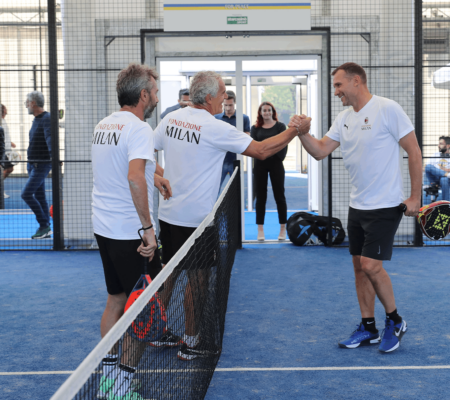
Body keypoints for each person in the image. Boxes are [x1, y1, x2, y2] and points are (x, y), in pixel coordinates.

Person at [152, 70, 311, 361]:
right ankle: (190, 341)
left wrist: (157, 176)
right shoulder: (215, 128)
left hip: (168, 215)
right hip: (197, 222)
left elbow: (145, 151)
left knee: (169, 274)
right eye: (224, 92)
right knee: (197, 281)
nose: (226, 97)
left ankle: (156, 332)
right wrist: (295, 131)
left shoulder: (171, 119)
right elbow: (262, 151)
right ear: (210, 97)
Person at [290, 62, 422, 353]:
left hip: (386, 204)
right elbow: (321, 151)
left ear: (356, 82)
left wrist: (415, 197)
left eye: (339, 85)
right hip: (357, 206)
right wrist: (301, 132)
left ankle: (395, 321)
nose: (336, 91)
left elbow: (414, 150)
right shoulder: (344, 118)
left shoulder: (388, 109)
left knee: (370, 265)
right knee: (359, 269)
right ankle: (368, 327)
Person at [92, 63, 171, 400]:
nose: (156, 96)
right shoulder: (140, 129)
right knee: (144, 309)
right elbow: (132, 177)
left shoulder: (103, 125)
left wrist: (154, 175)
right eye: (154, 90)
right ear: (143, 95)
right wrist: (148, 230)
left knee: (116, 298)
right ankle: (121, 385)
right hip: (129, 233)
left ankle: (109, 375)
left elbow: (124, 167)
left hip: (103, 227)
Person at [251, 102, 288, 241]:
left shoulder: (280, 127)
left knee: (280, 196)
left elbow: (282, 145)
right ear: (260, 113)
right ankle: (260, 229)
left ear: (273, 112)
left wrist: (266, 149)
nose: (266, 112)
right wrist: (267, 150)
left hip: (276, 164)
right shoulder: (255, 128)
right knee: (260, 197)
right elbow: (255, 147)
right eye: (264, 110)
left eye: (269, 110)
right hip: (260, 164)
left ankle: (283, 229)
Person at [21, 92, 53, 239]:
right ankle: (46, 229)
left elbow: (50, 138)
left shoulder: (46, 118)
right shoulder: (36, 119)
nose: (25, 105)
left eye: (27, 102)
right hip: (33, 164)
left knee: (26, 194)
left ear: (33, 103)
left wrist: (53, 157)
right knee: (40, 197)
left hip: (42, 164)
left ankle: (44, 225)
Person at [214, 90, 251, 186]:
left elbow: (247, 136)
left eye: (230, 105)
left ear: (234, 103)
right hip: (220, 160)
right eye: (225, 105)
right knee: (215, 188)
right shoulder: (216, 118)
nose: (228, 108)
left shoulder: (244, 118)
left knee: (237, 190)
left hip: (236, 159)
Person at [424, 136, 450, 201]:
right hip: (434, 180)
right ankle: (447, 174)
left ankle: (445, 205)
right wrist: (444, 171)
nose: (438, 146)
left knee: (444, 179)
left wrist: (438, 170)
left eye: (441, 144)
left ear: (448, 145)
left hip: (446, 181)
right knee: (428, 166)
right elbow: (425, 167)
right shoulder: (435, 154)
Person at [1, 105, 16, 199]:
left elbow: (3, 135)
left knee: (9, 169)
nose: (7, 110)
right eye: (5, 109)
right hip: (2, 151)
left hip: (7, 150)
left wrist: (10, 142)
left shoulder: (3, 121)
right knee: (7, 169)